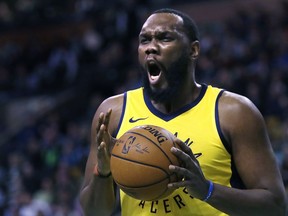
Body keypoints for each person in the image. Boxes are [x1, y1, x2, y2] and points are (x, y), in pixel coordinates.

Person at [79, 8, 287, 216]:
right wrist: (103, 172)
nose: (151, 47)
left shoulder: (234, 113)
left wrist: (207, 190)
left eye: (164, 38)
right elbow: (94, 212)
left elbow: (275, 206)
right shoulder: (113, 112)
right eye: (145, 40)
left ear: (193, 50)